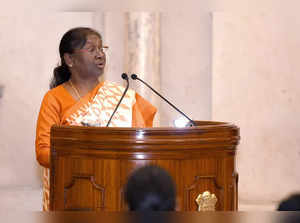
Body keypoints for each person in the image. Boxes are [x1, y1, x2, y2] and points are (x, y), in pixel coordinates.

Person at [35, 27, 157, 210]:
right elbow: (43, 152)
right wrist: (84, 157)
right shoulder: (54, 99)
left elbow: (143, 144)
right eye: (92, 49)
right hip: (75, 192)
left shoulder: (121, 97)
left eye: (102, 49)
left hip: (118, 191)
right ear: (69, 59)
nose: (100, 54)